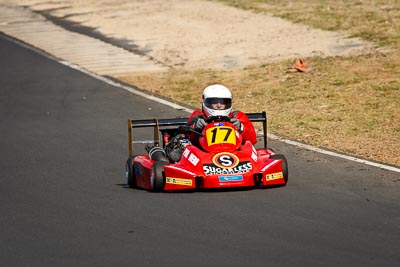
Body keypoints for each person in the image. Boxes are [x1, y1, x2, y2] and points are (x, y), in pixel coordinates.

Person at [186, 84, 257, 146]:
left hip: (234, 153)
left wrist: (241, 128)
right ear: (206, 102)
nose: (219, 105)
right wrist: (195, 128)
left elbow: (252, 141)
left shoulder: (237, 116)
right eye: (215, 102)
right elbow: (186, 137)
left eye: (223, 102)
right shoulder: (198, 116)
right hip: (204, 154)